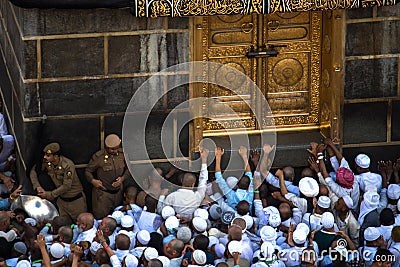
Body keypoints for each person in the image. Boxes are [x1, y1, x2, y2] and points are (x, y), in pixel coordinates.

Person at [30, 142, 87, 222]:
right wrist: (37, 186)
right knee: (63, 226)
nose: (45, 157)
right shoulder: (48, 163)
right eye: (45, 155)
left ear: (56, 156)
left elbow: (66, 186)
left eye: (48, 155)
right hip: (62, 202)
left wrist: (49, 195)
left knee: (80, 224)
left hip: (75, 202)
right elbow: (33, 171)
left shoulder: (67, 165)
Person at [85, 134, 130, 219]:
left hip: (118, 193)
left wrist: (122, 178)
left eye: (117, 148)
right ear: (107, 147)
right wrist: (93, 181)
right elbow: (88, 171)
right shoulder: (99, 157)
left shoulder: (122, 154)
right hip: (103, 195)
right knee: (101, 218)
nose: (115, 151)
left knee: (118, 218)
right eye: (112, 149)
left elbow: (129, 169)